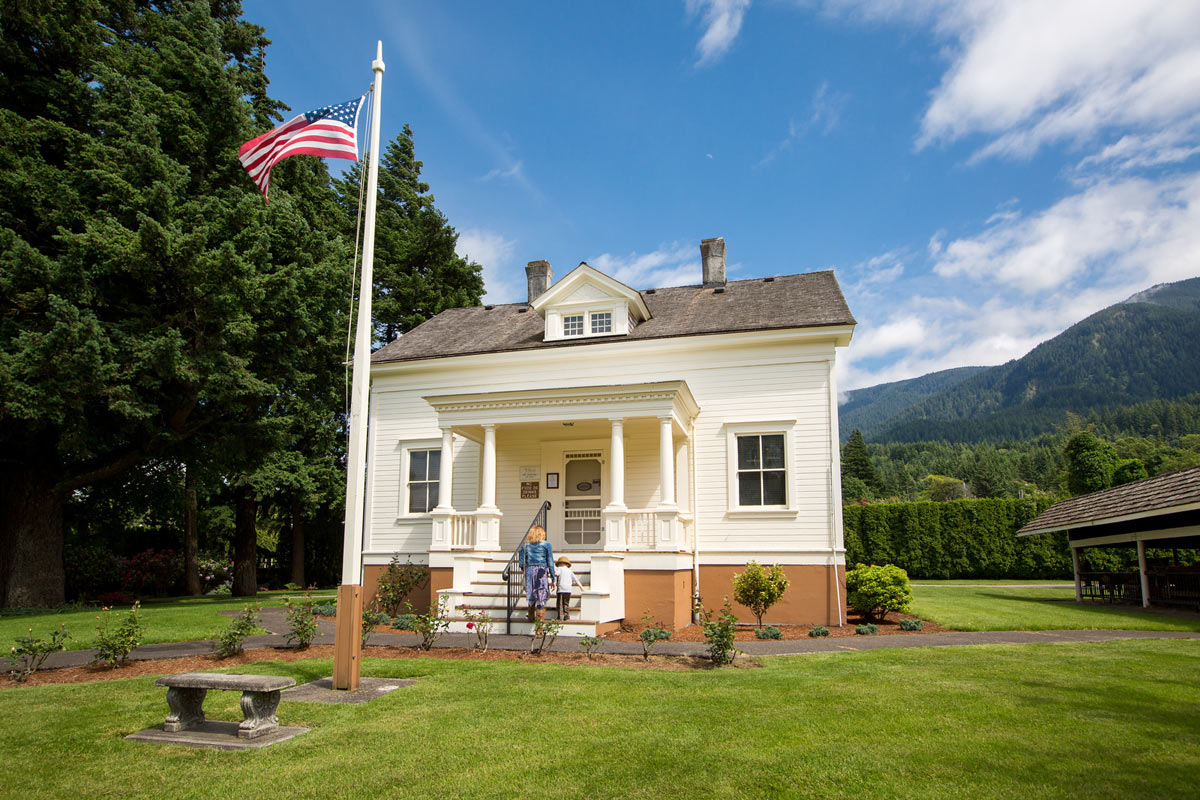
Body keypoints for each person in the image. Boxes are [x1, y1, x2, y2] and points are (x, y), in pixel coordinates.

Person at [519, 525, 556, 622]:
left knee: (531, 596)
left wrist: (527, 572)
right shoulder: (547, 545)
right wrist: (553, 578)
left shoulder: (525, 546)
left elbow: (521, 564)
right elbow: (550, 563)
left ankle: (531, 618)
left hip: (529, 571)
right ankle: (539, 628)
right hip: (541, 572)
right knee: (541, 597)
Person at [554, 556, 584, 621]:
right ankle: (566, 616)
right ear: (567, 564)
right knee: (566, 603)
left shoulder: (559, 569)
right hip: (568, 589)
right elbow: (576, 580)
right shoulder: (570, 571)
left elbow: (557, 574)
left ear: (559, 563)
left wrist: (550, 573)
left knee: (560, 603)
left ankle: (560, 616)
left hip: (561, 589)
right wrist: (581, 588)